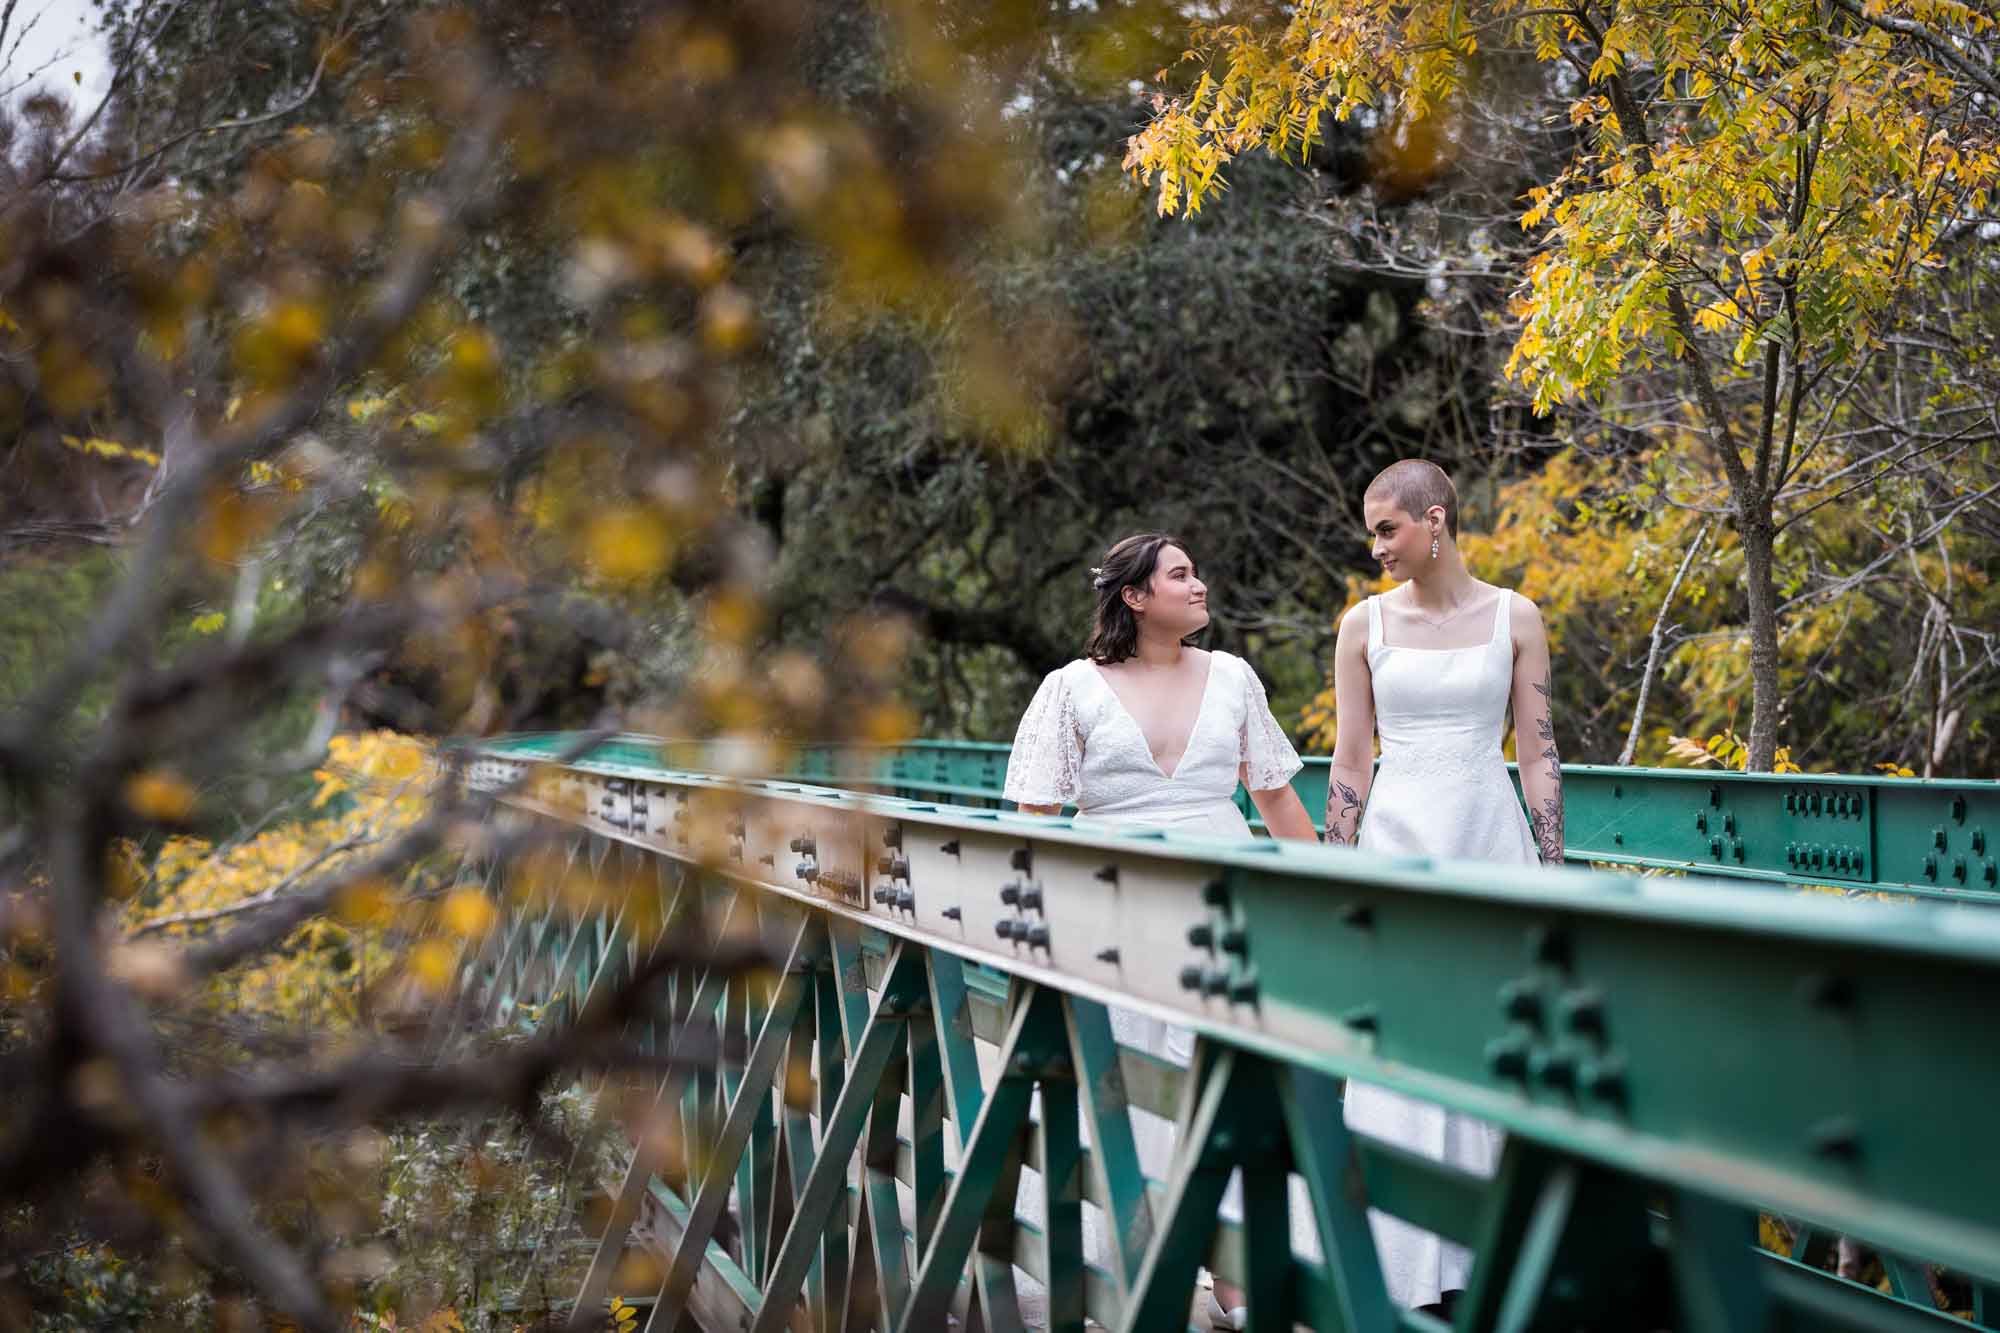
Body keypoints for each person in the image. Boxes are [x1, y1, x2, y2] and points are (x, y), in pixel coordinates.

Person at [1002, 532, 1317, 1328]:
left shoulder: (1235, 677)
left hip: (1225, 908)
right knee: (1129, 1085)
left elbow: (1275, 798)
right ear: (1136, 596)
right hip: (1119, 914)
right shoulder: (1072, 688)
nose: (1199, 583)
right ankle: (1136, 1273)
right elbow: (1032, 819)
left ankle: (1238, 1281)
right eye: (1180, 574)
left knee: (1230, 1081)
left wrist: (1326, 894)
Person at [1324, 459, 1565, 1314]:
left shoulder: (1516, 616)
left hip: (1489, 843)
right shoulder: (1363, 625)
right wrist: (1336, 866)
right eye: (1372, 531)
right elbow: (1352, 758)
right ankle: (1399, 1264)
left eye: (1388, 528)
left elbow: (1537, 754)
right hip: (1397, 845)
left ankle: (1494, 1253)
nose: (1377, 545)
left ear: (1435, 521)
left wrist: (1553, 871)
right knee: (1400, 1042)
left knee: (1494, 1037)